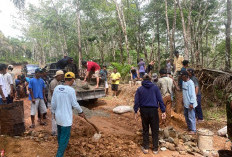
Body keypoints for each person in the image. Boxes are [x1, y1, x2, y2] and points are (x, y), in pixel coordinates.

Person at [51, 72, 85, 157]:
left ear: (65, 79)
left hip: (58, 117)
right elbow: (75, 104)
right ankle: (59, 155)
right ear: (73, 80)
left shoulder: (57, 88)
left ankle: (60, 149)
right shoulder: (71, 90)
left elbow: (53, 103)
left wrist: (53, 113)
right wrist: (81, 112)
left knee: (60, 135)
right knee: (64, 139)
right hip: (66, 119)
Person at [134, 74, 166, 154]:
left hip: (144, 111)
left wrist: (135, 111)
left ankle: (146, 148)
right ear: (150, 79)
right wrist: (163, 111)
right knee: (155, 129)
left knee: (145, 129)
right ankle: (155, 148)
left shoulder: (140, 89)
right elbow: (160, 100)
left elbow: (136, 101)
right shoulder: (155, 88)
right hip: (153, 110)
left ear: (143, 80)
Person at [48, 70, 64, 136]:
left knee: (57, 116)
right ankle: (54, 132)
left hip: (57, 102)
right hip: (53, 102)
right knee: (54, 117)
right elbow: (53, 94)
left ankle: (57, 130)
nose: (62, 77)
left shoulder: (59, 82)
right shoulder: (53, 82)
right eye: (61, 76)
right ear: (58, 76)